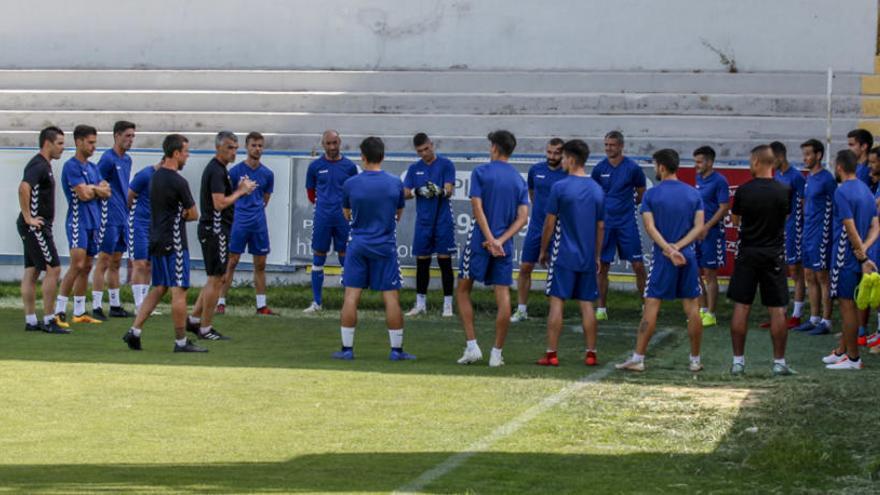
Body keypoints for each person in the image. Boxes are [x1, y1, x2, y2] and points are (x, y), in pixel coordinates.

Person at [616, 149, 704, 372]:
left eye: (655, 166)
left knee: (651, 307)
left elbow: (649, 227)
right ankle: (695, 360)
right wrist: (680, 247)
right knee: (692, 309)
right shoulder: (693, 194)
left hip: (664, 259)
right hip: (688, 256)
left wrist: (668, 249)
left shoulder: (652, 195)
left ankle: (638, 358)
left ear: (662, 167)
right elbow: (699, 227)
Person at [334, 137, 415, 360]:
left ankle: (347, 349)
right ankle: (396, 351)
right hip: (385, 245)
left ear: (362, 156)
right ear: (383, 156)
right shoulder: (394, 183)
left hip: (358, 243)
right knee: (391, 297)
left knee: (351, 295)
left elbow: (347, 214)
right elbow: (398, 214)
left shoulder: (351, 183)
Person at [122, 134, 204, 352]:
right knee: (179, 290)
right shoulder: (178, 181)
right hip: (174, 242)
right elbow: (194, 214)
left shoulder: (154, 177)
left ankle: (135, 331)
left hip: (156, 238)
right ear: (176, 153)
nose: (187, 156)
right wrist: (182, 215)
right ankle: (181, 341)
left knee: (159, 288)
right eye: (186, 152)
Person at [456, 130, 529, 367]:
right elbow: (523, 217)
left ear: (495, 147)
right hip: (504, 246)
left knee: (463, 290)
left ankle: (472, 345)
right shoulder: (518, 179)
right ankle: (496, 353)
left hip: (480, 240)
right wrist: (501, 240)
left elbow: (477, 208)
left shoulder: (482, 172)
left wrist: (489, 238)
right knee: (503, 295)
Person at [726, 145, 796, 376]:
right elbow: (784, 218)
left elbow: (735, 222)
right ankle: (779, 362)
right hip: (773, 253)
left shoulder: (744, 191)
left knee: (742, 305)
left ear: (757, 161)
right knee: (777, 309)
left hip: (748, 252)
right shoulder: (784, 190)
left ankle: (738, 362)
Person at [536, 139, 603, 366]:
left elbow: (549, 223)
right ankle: (591, 353)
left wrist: (543, 250)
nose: (561, 161)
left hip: (562, 254)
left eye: (563, 157)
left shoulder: (560, 187)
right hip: (586, 256)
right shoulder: (596, 188)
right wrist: (596, 255)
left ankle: (552, 353)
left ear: (571, 159)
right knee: (587, 304)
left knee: (557, 303)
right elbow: (600, 226)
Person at [186, 131, 256, 340]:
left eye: (235, 148)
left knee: (215, 278)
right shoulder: (216, 170)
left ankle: (194, 320)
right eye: (229, 148)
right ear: (218, 147)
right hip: (215, 230)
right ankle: (205, 328)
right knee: (217, 279)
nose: (233, 152)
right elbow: (219, 203)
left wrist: (238, 189)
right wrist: (240, 191)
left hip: (216, 230)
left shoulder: (219, 170)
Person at [822, 150, 879, 370]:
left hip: (845, 256)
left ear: (838, 167)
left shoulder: (842, 192)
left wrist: (862, 254)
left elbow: (849, 226)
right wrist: (865, 249)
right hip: (858, 254)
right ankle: (841, 351)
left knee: (847, 307)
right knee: (852, 305)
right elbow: (876, 226)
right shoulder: (865, 189)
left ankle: (853, 358)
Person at [55, 125, 111, 326]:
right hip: (78, 221)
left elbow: (107, 190)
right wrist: (95, 189)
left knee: (87, 266)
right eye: (90, 142)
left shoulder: (93, 167)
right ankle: (59, 310)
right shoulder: (71, 166)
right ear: (78, 142)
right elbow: (84, 195)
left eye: (95, 142)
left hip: (94, 223)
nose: (94, 146)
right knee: (77, 264)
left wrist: (94, 188)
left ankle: (79, 312)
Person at [218, 132, 277, 315]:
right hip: (239, 221)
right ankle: (220, 303)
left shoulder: (267, 174)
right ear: (246, 146)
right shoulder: (234, 172)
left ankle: (261, 306)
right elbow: (227, 197)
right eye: (254, 145)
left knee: (260, 264)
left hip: (258, 222)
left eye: (260, 145)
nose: (257, 149)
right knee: (231, 262)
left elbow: (265, 199)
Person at [591, 131, 647, 321]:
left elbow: (641, 192)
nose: (608, 148)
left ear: (621, 146)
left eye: (612, 145)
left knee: (638, 265)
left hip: (626, 223)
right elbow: (594, 194)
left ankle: (645, 305)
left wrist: (628, 206)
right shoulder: (599, 169)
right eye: (606, 144)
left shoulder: (632, 168)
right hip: (605, 225)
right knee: (602, 266)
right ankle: (601, 309)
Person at [17, 126, 67, 334]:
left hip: (33, 226)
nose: (63, 148)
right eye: (60, 143)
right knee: (53, 268)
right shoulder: (39, 165)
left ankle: (31, 320)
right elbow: (23, 187)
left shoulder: (43, 165)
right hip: (36, 227)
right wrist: (29, 217)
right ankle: (48, 319)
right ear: (48, 143)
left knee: (32, 271)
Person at [511, 137, 566, 323]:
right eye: (549, 152)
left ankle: (555, 311)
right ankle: (521, 310)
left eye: (557, 152)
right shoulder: (536, 170)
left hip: (559, 229)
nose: (552, 156)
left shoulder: (567, 173)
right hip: (536, 227)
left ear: (563, 153)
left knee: (556, 271)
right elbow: (533, 195)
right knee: (525, 267)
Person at [402, 133, 457, 318]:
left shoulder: (446, 164)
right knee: (422, 263)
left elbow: (450, 189)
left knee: (445, 262)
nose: (424, 153)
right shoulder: (414, 168)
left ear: (431, 145)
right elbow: (405, 193)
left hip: (442, 220)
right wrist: (418, 191)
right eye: (420, 151)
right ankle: (420, 304)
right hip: (423, 222)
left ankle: (448, 305)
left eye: (426, 149)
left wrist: (440, 190)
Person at [304, 130, 359, 312]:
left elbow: (354, 193)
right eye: (328, 143)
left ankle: (348, 303)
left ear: (340, 142)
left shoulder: (349, 167)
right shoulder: (315, 167)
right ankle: (317, 302)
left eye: (335, 143)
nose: (332, 147)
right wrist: (325, 206)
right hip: (323, 217)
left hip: (343, 218)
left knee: (346, 258)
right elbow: (311, 194)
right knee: (318, 257)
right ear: (323, 144)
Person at [792, 139, 836, 335]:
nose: (805, 158)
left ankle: (827, 321)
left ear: (818, 155)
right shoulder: (809, 177)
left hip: (821, 234)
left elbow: (837, 206)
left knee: (822, 277)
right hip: (808, 232)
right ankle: (814, 317)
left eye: (808, 154)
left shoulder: (827, 179)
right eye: (804, 154)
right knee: (808, 274)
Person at [92, 120, 136, 319]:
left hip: (122, 216)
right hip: (109, 217)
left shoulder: (127, 160)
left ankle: (116, 305)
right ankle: (96, 306)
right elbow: (97, 183)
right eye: (127, 135)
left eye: (132, 136)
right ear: (116, 136)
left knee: (117, 261)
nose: (130, 140)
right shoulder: (107, 159)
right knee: (104, 260)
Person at [768, 141, 806, 329]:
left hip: (793, 229)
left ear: (780, 157)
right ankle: (780, 312)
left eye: (771, 159)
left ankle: (797, 314)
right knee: (778, 270)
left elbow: (803, 204)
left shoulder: (796, 177)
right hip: (777, 228)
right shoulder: (776, 175)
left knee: (795, 270)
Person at [693, 146, 730, 328]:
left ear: (710, 162)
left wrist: (707, 226)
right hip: (697, 232)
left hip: (712, 233)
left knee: (710, 273)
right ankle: (701, 307)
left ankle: (711, 313)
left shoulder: (720, 181)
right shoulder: (698, 178)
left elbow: (724, 207)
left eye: (699, 162)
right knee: (695, 270)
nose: (696, 165)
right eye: (695, 162)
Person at [128, 158, 162, 315]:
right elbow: (129, 196)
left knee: (149, 264)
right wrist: (131, 216)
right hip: (139, 224)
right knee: (139, 264)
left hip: (154, 226)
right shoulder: (145, 174)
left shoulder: (165, 178)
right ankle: (138, 305)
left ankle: (145, 304)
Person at [848, 128, 875, 193]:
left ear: (863, 146)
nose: (849, 148)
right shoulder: (852, 165)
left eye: (852, 145)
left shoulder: (872, 168)